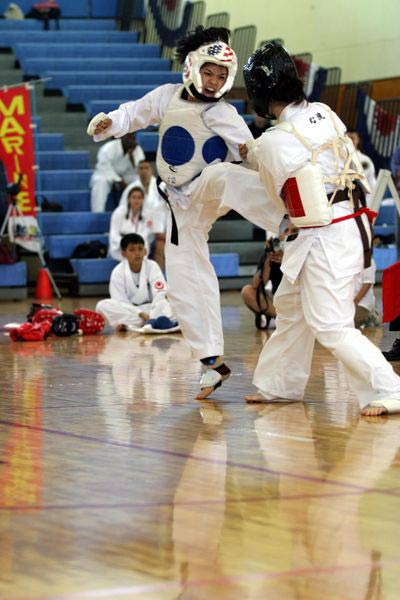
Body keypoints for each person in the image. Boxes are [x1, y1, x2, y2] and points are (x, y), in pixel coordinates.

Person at [87, 26, 284, 399]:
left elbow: (251, 151)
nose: (213, 81)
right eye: (209, 72)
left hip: (207, 189)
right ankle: (211, 363)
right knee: (185, 281)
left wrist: (262, 164)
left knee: (222, 174)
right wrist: (109, 122)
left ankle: (288, 220)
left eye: (221, 76)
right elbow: (133, 114)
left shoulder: (222, 112)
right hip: (179, 205)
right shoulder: (166, 97)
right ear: (194, 66)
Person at [241, 42, 400, 416]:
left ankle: (390, 387)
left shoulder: (274, 142)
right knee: (291, 307)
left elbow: (274, 197)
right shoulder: (324, 112)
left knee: (330, 323)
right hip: (348, 220)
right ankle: (279, 384)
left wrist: (248, 156)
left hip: (329, 230)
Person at [96, 233, 178, 333]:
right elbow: (120, 301)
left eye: (140, 249)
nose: (137, 253)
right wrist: (139, 313)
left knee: (170, 303)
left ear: (145, 251)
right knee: (102, 306)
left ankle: (140, 323)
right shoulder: (117, 272)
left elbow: (160, 294)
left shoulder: (152, 266)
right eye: (132, 250)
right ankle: (154, 322)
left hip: (153, 309)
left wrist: (153, 312)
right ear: (123, 254)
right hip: (133, 312)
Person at [118, 159, 168, 269]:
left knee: (160, 243)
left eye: (147, 168)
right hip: (139, 225)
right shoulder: (131, 188)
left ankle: (158, 276)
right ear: (137, 172)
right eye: (141, 168)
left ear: (152, 171)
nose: (144, 171)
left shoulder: (161, 186)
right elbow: (123, 208)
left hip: (156, 227)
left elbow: (167, 204)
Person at [90, 133, 145, 212]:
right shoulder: (108, 148)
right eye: (129, 138)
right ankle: (98, 212)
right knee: (100, 182)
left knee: (138, 182)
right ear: (122, 138)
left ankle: (135, 212)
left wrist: (132, 158)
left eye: (133, 138)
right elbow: (104, 167)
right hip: (106, 174)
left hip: (125, 175)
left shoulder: (136, 149)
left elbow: (140, 169)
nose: (132, 140)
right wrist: (119, 180)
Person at [241, 235, 284, 330]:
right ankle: (281, 319)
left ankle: (285, 320)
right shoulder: (272, 255)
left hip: (299, 299)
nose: (288, 235)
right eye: (285, 231)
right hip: (279, 299)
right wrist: (267, 259)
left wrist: (286, 261)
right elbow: (257, 284)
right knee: (247, 291)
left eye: (293, 231)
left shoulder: (301, 251)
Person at [108, 186, 159, 261]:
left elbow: (146, 234)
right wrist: (127, 244)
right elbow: (114, 234)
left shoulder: (147, 215)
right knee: (130, 254)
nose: (136, 200)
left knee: (142, 249)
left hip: (139, 245)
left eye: (139, 198)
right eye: (134, 197)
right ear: (129, 199)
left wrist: (135, 245)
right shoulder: (118, 212)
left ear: (143, 200)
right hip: (121, 246)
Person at [346, 129, 377, 199]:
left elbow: (371, 185)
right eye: (347, 138)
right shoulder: (336, 159)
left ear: (358, 140)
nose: (349, 141)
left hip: (359, 201)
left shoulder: (365, 160)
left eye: (352, 138)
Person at [354, 259, 381, 328]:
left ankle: (371, 315)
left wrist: (355, 301)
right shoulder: (349, 258)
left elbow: (368, 283)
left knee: (350, 324)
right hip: (349, 302)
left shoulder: (368, 261)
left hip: (362, 303)